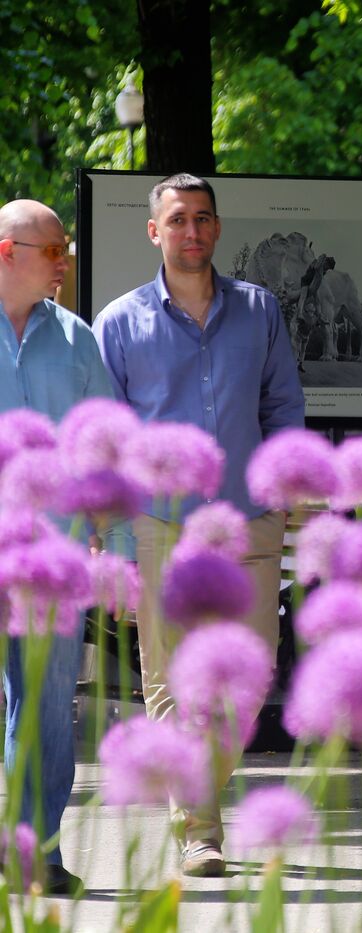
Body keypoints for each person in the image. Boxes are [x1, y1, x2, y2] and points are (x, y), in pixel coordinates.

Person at [93, 174, 305, 877]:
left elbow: (282, 404)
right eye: (178, 219)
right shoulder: (119, 320)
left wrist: (286, 486)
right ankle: (199, 825)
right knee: (171, 680)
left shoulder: (260, 309)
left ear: (218, 229)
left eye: (203, 219)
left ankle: (201, 794)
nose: (192, 231)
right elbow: (109, 433)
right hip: (158, 521)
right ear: (154, 231)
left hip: (249, 517)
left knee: (249, 673)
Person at [0, 199, 113, 895]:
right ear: (7, 252)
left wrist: (111, 540)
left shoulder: (78, 340)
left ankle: (34, 850)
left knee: (44, 707)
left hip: (55, 555)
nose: (66, 260)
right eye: (54, 248)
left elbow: (104, 446)